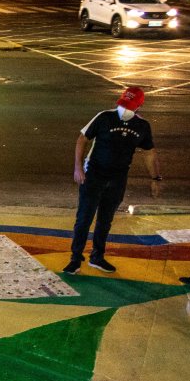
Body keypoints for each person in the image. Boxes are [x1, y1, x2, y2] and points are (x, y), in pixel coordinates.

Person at [66, 87, 160, 275]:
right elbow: (82, 139)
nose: (124, 109)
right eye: (123, 104)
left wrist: (155, 178)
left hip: (118, 178)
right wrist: (78, 168)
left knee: (105, 220)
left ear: (139, 106)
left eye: (130, 106)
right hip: (93, 175)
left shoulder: (142, 126)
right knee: (84, 218)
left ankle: (97, 257)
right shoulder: (104, 117)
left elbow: (149, 153)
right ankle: (76, 258)